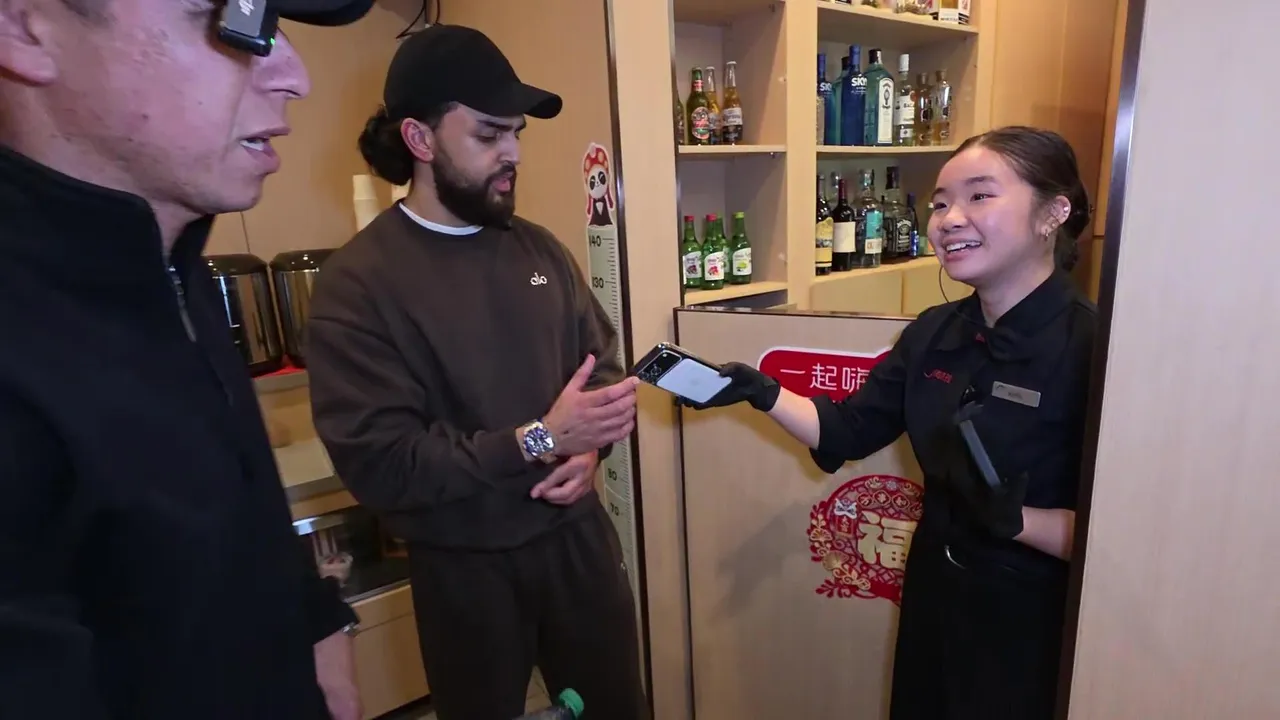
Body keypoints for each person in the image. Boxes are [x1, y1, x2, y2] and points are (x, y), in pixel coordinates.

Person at [0, 0, 376, 718]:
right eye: (229, 16)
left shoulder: (173, 263)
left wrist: (317, 619)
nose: (293, 74)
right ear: (23, 25)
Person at [688, 126, 1097, 719]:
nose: (949, 219)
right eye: (940, 203)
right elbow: (848, 429)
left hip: (1033, 624)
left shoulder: (1095, 347)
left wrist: (1019, 522)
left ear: (1053, 213)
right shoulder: (934, 332)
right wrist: (762, 391)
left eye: (980, 196)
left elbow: (1124, 543)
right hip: (935, 601)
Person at [304, 24, 647, 720]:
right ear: (420, 139)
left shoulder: (540, 251)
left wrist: (589, 450)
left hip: (576, 544)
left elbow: (602, 373)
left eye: (515, 133)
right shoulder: (358, 285)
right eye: (489, 134)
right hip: (463, 565)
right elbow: (384, 464)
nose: (512, 152)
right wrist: (539, 439)